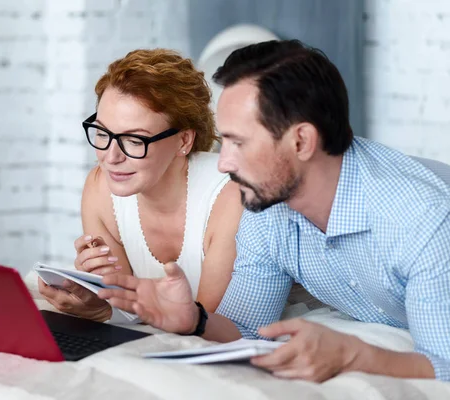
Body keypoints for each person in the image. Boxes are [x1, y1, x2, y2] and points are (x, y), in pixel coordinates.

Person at [98, 40, 450, 381]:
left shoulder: (421, 218)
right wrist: (195, 319)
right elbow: (250, 328)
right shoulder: (267, 208)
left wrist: (353, 355)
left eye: (239, 143)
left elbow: (445, 366)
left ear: (301, 142)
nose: (223, 164)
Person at [38, 49, 243, 322]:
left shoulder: (229, 196)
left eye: (134, 140)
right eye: (103, 133)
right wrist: (98, 300)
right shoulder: (100, 188)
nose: (111, 157)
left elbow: (203, 326)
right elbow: (128, 310)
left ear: (183, 141)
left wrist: (110, 309)